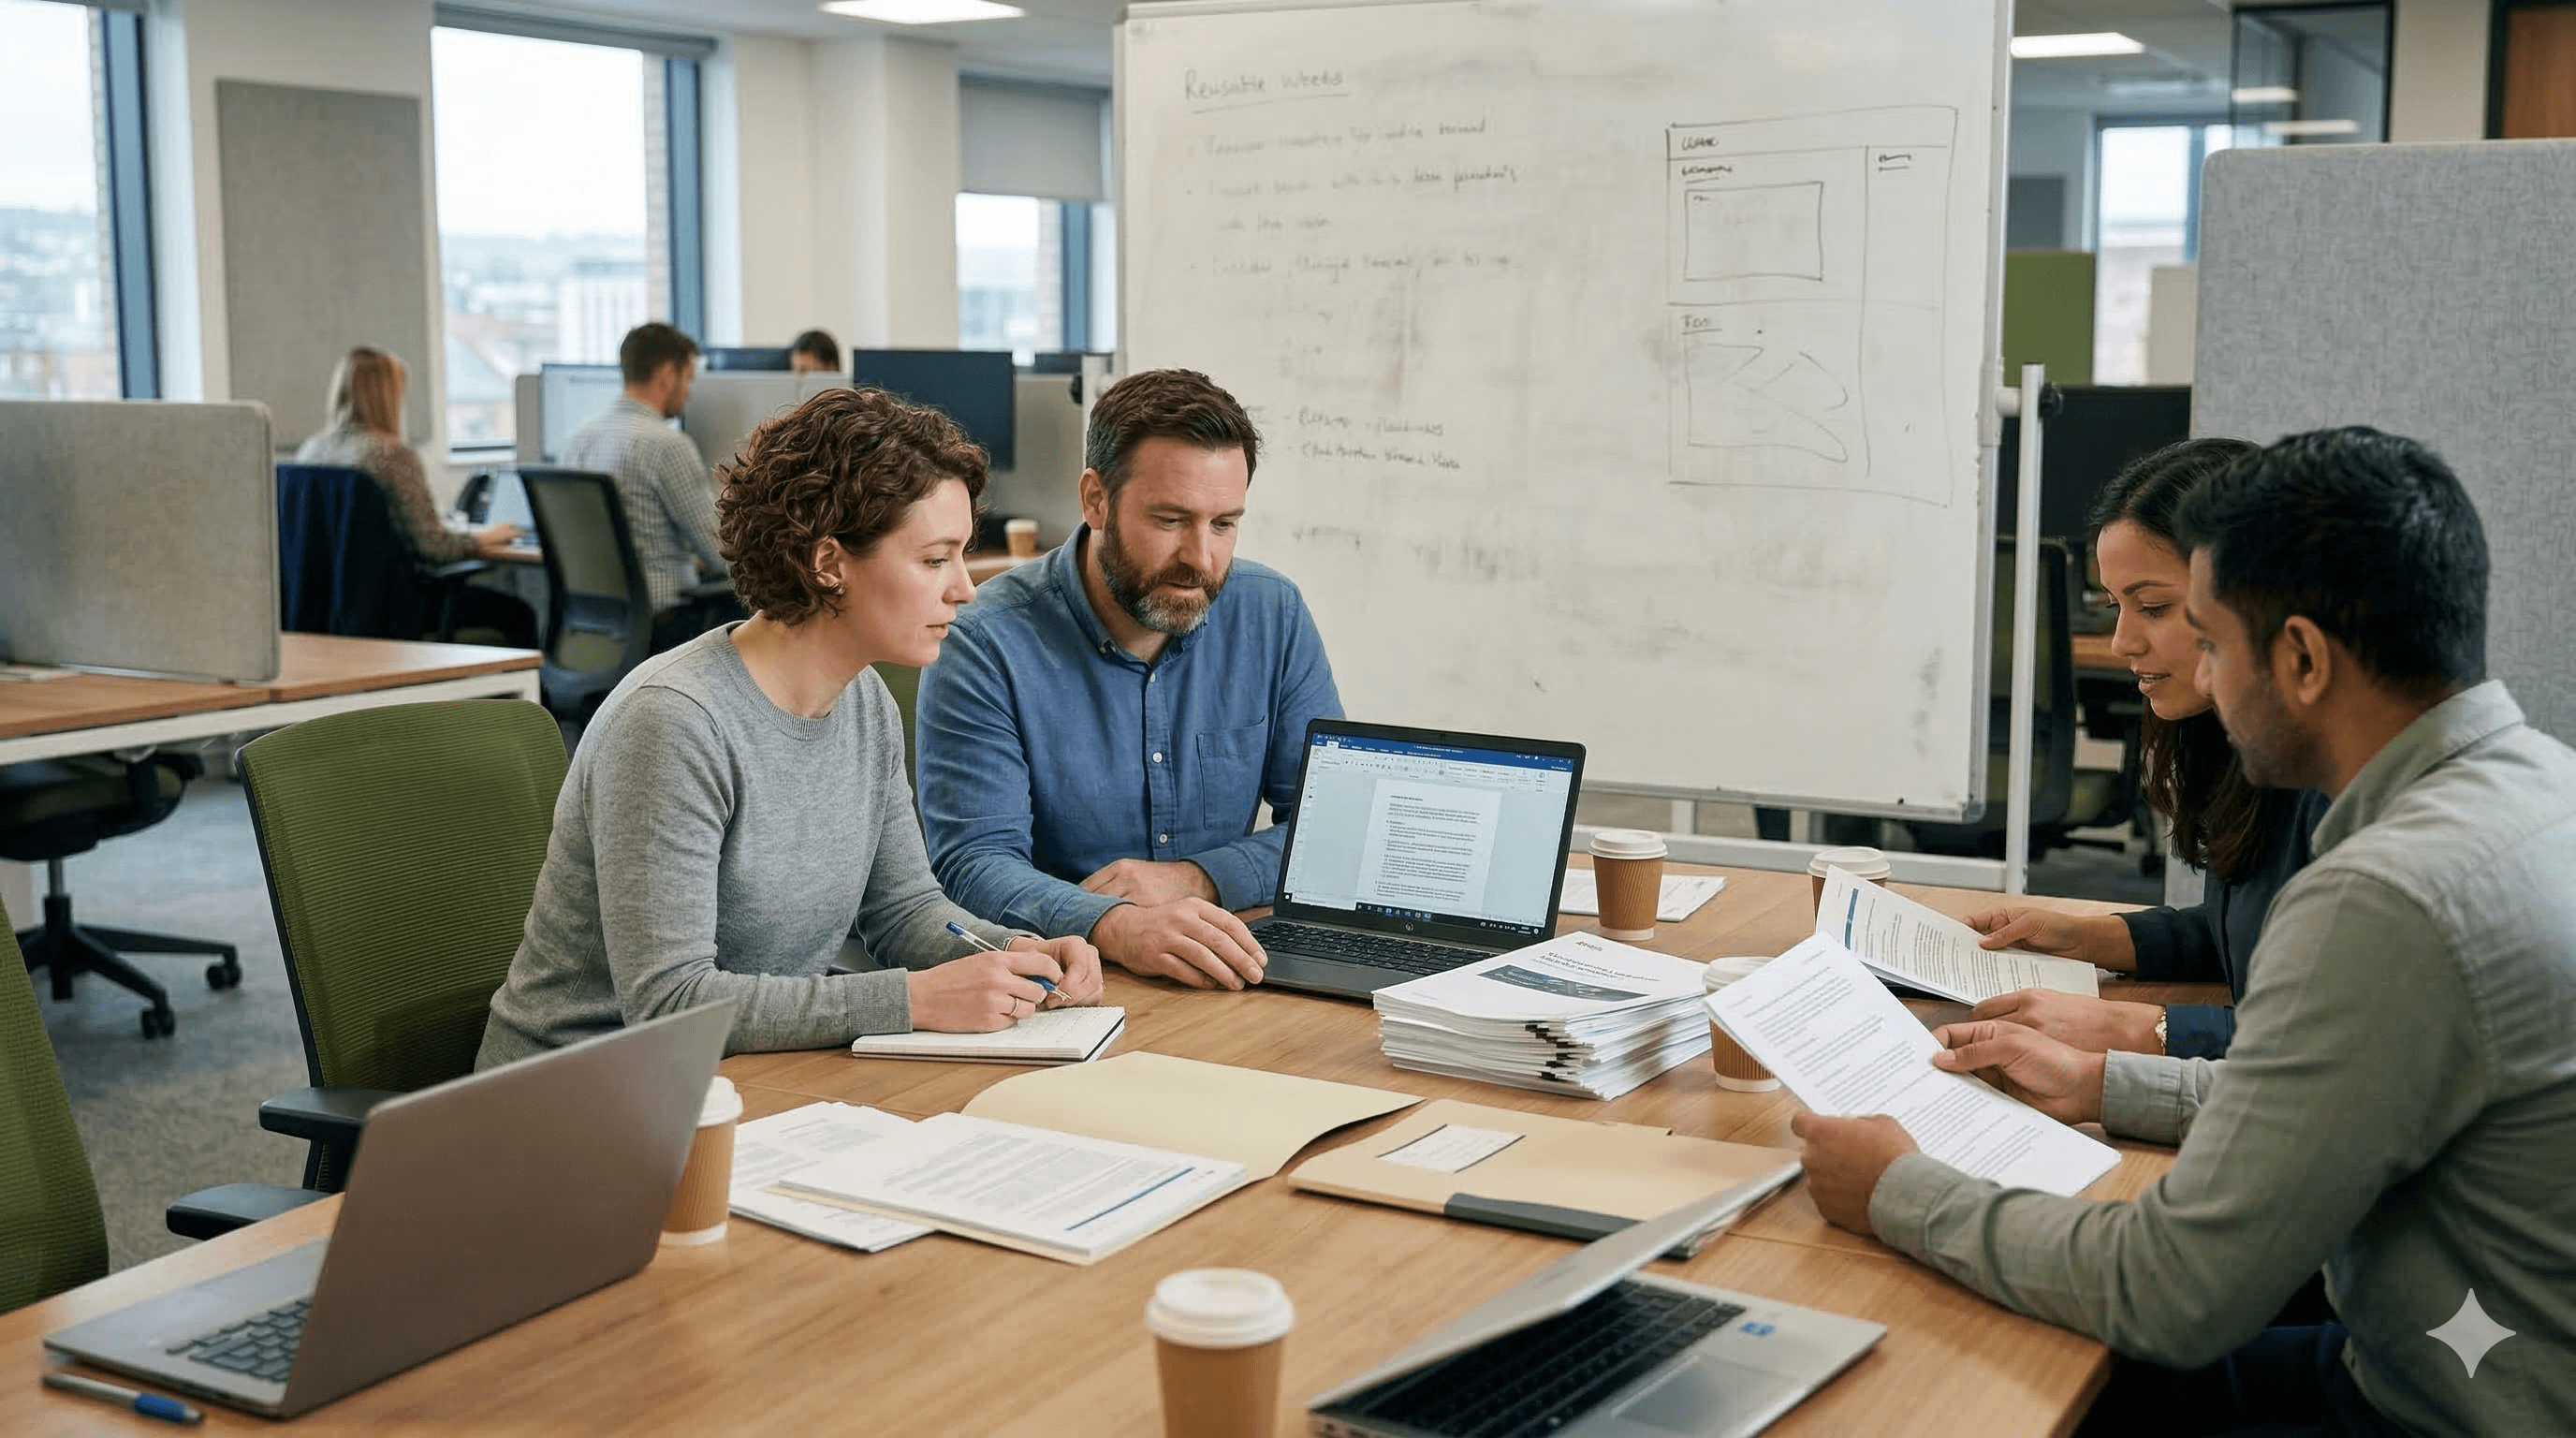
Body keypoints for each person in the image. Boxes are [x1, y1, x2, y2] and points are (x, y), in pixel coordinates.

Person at [1793, 427, 2576, 1437]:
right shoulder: (2540, 790)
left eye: (2205, 639)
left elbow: (2168, 1289)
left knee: (1953, 1384)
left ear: (2297, 657)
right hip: (2454, 1363)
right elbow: (2337, 1107)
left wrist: (1898, 1189)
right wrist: (2102, 1084)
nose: (2185, 671)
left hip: (2432, 1410)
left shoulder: (2383, 897)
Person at [476, 386, 1104, 1068]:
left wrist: (1014, 952)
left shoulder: (865, 700)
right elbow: (666, 1002)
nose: (964, 588)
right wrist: (913, 1000)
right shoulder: (674, 724)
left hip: (743, 1078)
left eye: (960, 556)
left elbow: (904, 909)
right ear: (830, 564)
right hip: (580, 1095)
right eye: (933, 559)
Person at [915, 369, 1342, 992]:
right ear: (1095, 500)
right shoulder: (986, 641)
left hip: (1228, 971)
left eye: (1223, 524)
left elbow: (1333, 828)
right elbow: (973, 865)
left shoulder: (1271, 614)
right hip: (1065, 989)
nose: (1201, 558)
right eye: (1171, 521)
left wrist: (1198, 877)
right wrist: (1114, 924)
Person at [1961, 438, 2328, 1061]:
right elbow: (2246, 938)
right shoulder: (2236, 743)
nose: (2121, 642)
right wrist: (2087, 937)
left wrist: (2142, 1031)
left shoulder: (2336, 785)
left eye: (2153, 607)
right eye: (2114, 606)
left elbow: (2332, 1054)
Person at [293, 346, 535, 645]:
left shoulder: (312, 450)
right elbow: (432, 546)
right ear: (388, 396)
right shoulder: (390, 454)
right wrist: (483, 538)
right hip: (393, 606)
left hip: (328, 607)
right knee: (519, 614)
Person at [559, 322, 741, 652]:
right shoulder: (666, 445)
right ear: (668, 375)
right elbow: (721, 553)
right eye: (688, 378)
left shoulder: (579, 441)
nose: (689, 393)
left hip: (593, 626)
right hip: (667, 624)